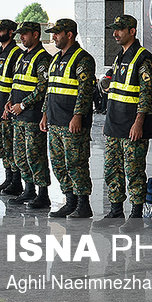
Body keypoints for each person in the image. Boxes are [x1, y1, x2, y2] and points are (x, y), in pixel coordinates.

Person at [99, 15, 152, 227]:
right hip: (114, 123)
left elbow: (147, 93)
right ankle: (115, 211)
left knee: (133, 171)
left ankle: (136, 215)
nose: (115, 33)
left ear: (132, 31)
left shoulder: (143, 58)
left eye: (120, 30)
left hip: (133, 125)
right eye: (114, 29)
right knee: (111, 169)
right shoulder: (120, 56)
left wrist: (139, 122)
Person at [41, 19, 97, 219]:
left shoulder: (83, 59)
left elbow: (85, 92)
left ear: (69, 35)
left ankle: (83, 204)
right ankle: (70, 201)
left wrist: (78, 116)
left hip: (72, 124)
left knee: (76, 163)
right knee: (59, 164)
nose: (54, 36)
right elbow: (50, 89)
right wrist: (45, 113)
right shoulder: (56, 59)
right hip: (55, 121)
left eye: (57, 33)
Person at [5, 21, 52, 209]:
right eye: (20, 34)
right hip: (18, 116)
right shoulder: (23, 56)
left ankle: (43, 193)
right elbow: (16, 82)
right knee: (20, 155)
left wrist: (23, 105)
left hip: (32, 116)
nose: (21, 37)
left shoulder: (42, 58)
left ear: (36, 35)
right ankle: (28, 189)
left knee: (35, 156)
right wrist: (10, 99)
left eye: (25, 34)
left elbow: (43, 87)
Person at [0, 19, 24, 196]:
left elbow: (15, 84)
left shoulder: (16, 53)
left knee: (10, 146)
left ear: (10, 32)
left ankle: (16, 182)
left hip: (6, 108)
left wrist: (8, 105)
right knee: (1, 146)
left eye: (0, 31)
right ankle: (8, 178)